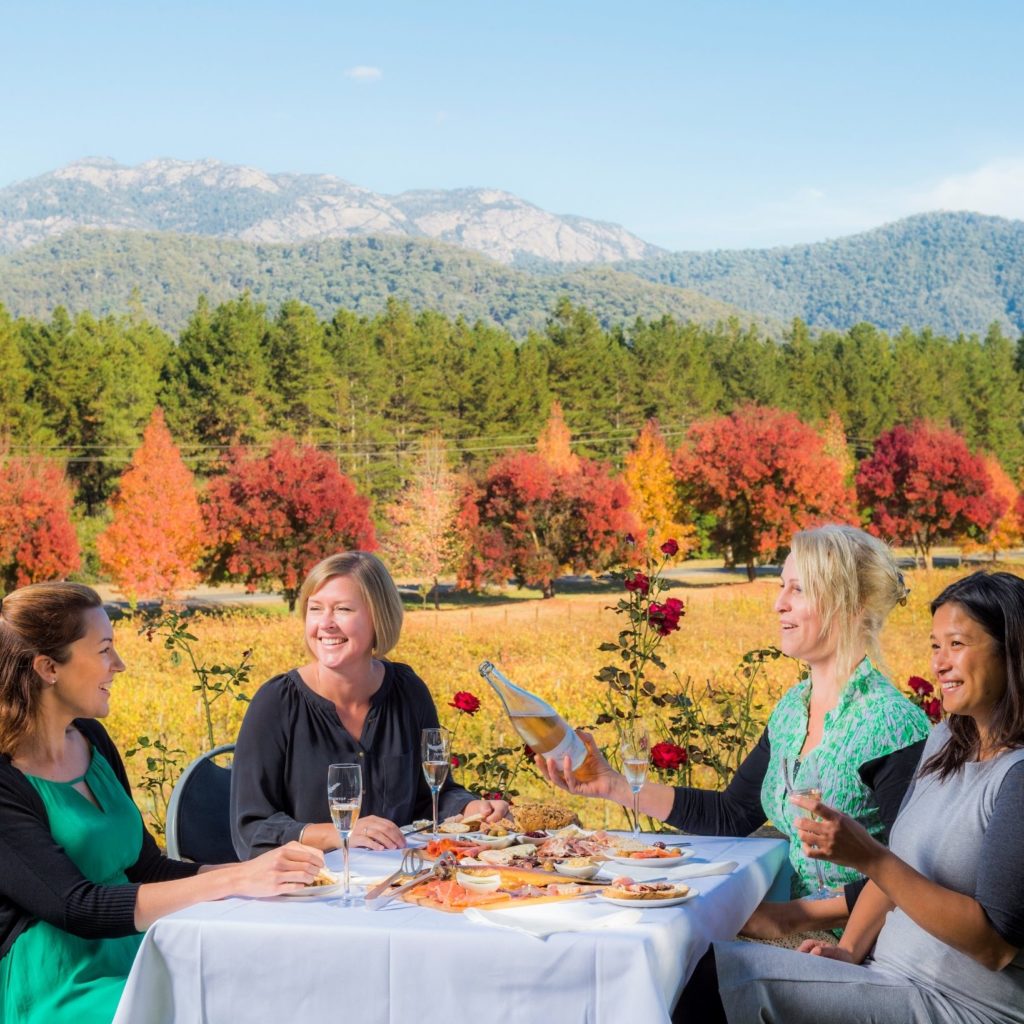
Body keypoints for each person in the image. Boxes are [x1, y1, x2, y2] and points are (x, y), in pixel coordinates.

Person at [537, 524, 931, 935]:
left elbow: (910, 873)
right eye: (782, 586)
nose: (779, 604)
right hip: (797, 927)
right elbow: (734, 813)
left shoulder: (892, 725)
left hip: (862, 947)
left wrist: (789, 918)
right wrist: (615, 786)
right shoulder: (793, 710)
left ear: (852, 605)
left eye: (798, 589)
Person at [682, 570, 1024, 1023]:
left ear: (1012, 652)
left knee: (713, 982)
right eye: (935, 646)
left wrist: (871, 858)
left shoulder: (1015, 777)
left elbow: (994, 946)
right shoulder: (945, 744)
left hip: (958, 1005)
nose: (940, 663)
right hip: (887, 976)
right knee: (691, 967)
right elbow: (901, 868)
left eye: (957, 644)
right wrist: (847, 950)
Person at [0, 582, 324, 1024]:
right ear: (47, 668)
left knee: (271, 988)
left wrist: (262, 873)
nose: (119, 665)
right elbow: (77, 906)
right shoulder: (5, 780)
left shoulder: (92, 741)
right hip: (57, 983)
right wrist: (236, 880)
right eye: (104, 650)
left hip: (139, 951)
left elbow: (146, 869)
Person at [231, 551, 509, 859]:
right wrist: (339, 833)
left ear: (379, 617)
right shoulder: (276, 704)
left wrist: (470, 807)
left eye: (343, 609)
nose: (325, 624)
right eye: (315, 609)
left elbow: (428, 796)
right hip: (308, 890)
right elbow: (251, 830)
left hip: (398, 883)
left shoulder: (408, 693)